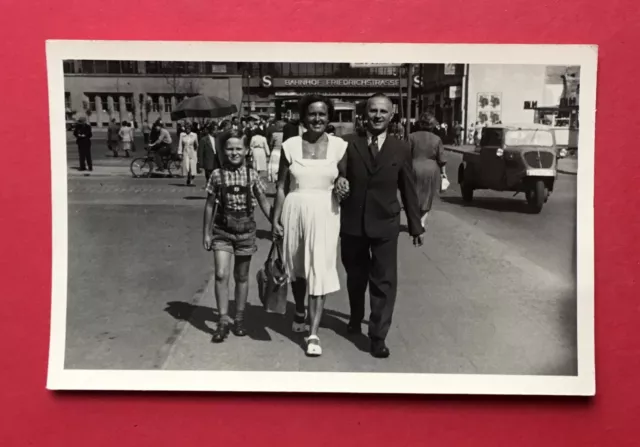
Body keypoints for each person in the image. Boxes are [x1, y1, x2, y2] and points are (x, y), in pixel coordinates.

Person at [335, 92, 424, 359]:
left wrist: (415, 225)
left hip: (386, 223)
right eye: (373, 111)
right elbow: (337, 173)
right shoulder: (348, 144)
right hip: (353, 222)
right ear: (365, 113)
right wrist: (338, 181)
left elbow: (408, 187)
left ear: (392, 114)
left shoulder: (401, 147)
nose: (377, 116)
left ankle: (377, 336)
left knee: (384, 281)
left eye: (383, 112)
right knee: (356, 276)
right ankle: (355, 314)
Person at [271, 95, 349, 357]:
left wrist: (343, 185)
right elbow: (281, 186)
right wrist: (275, 219)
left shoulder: (339, 146)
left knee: (319, 267)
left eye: (322, 114)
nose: (317, 119)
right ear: (303, 117)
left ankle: (313, 333)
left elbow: (345, 179)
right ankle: (300, 309)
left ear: (329, 118)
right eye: (312, 114)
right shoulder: (290, 145)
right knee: (298, 266)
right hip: (295, 209)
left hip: (326, 212)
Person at [202, 129, 272, 343]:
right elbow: (209, 205)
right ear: (224, 151)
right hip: (222, 231)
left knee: (241, 276)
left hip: (245, 232)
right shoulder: (216, 175)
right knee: (221, 274)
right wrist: (206, 233)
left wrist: (275, 223)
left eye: (238, 148)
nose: (234, 153)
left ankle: (239, 318)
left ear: (246, 150)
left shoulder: (252, 174)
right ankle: (223, 320)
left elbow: (263, 201)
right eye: (230, 149)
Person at [409, 113, 448, 229]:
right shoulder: (437, 139)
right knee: (427, 195)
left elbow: (405, 154)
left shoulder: (411, 137)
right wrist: (443, 174)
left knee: (413, 194)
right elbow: (441, 159)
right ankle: (422, 221)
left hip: (413, 166)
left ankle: (414, 220)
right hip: (430, 169)